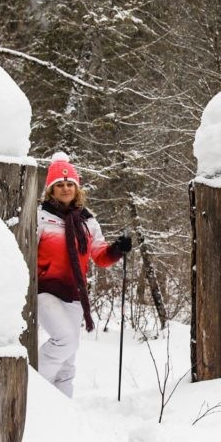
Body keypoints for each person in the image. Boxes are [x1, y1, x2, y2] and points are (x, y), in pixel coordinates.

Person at [37, 152, 131, 396]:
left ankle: (62, 410)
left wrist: (117, 249)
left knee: (68, 361)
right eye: (60, 185)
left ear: (76, 188)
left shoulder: (88, 221)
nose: (66, 188)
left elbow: (99, 255)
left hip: (75, 295)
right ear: (51, 190)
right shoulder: (41, 217)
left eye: (70, 184)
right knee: (65, 340)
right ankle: (33, 390)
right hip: (45, 290)